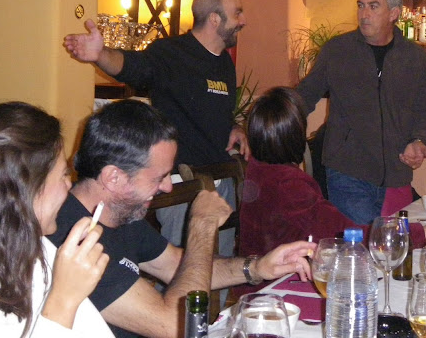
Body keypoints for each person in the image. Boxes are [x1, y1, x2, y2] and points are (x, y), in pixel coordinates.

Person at [48, 99, 314, 338]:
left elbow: (179, 266)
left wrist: (257, 268)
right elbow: (173, 325)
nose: (167, 187)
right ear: (113, 177)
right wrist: (202, 225)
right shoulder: (70, 240)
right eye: (159, 177)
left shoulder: (120, 215)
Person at [63, 0, 248, 278]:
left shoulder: (224, 62)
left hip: (220, 179)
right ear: (215, 18)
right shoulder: (171, 53)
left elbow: (217, 110)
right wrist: (100, 54)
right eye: (237, 12)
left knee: (218, 270)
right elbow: (131, 66)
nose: (243, 20)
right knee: (180, 274)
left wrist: (234, 127)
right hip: (181, 186)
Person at [0, 102, 112, 337]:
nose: (69, 184)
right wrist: (63, 300)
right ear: (27, 192)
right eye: (63, 174)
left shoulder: (34, 248)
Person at [240, 86, 426, 261]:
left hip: (262, 274)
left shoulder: (258, 170)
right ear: (296, 135)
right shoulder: (289, 185)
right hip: (278, 284)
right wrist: (420, 233)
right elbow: (348, 235)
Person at [296, 0, 426, 225]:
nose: (364, 14)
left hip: (396, 174)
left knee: (394, 242)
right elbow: (304, 96)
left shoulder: (414, 58)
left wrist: (419, 141)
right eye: (361, 5)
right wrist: (269, 123)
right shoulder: (337, 51)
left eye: (373, 6)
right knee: (367, 241)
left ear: (394, 13)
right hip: (347, 172)